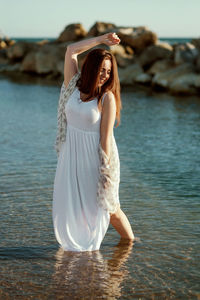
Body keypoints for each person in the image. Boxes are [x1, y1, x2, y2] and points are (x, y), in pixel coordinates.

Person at [53, 32, 134, 252]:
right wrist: (101, 40)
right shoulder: (73, 85)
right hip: (71, 156)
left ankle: (130, 244)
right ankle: (77, 249)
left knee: (110, 207)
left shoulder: (106, 98)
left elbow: (106, 138)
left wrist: (105, 172)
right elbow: (71, 50)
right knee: (73, 206)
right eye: (101, 70)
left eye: (109, 72)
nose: (105, 76)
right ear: (91, 68)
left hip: (95, 158)